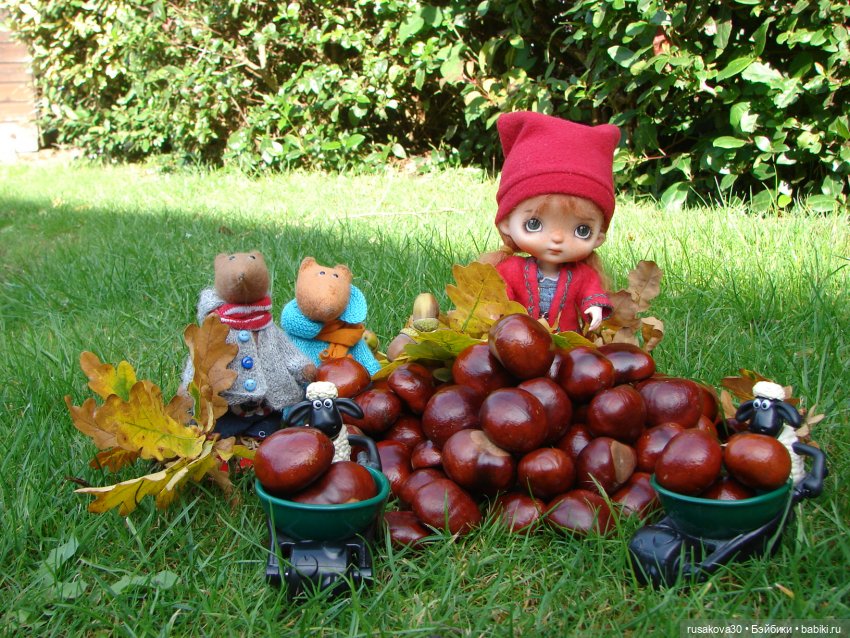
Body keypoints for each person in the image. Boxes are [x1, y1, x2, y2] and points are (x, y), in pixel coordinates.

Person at [481, 111, 621, 333]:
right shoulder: (511, 269)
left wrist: (595, 308)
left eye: (582, 230)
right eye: (534, 224)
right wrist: (495, 310)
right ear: (506, 223)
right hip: (517, 340)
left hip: (567, 342)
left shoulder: (582, 275)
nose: (557, 238)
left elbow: (591, 293)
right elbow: (499, 294)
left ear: (598, 238)